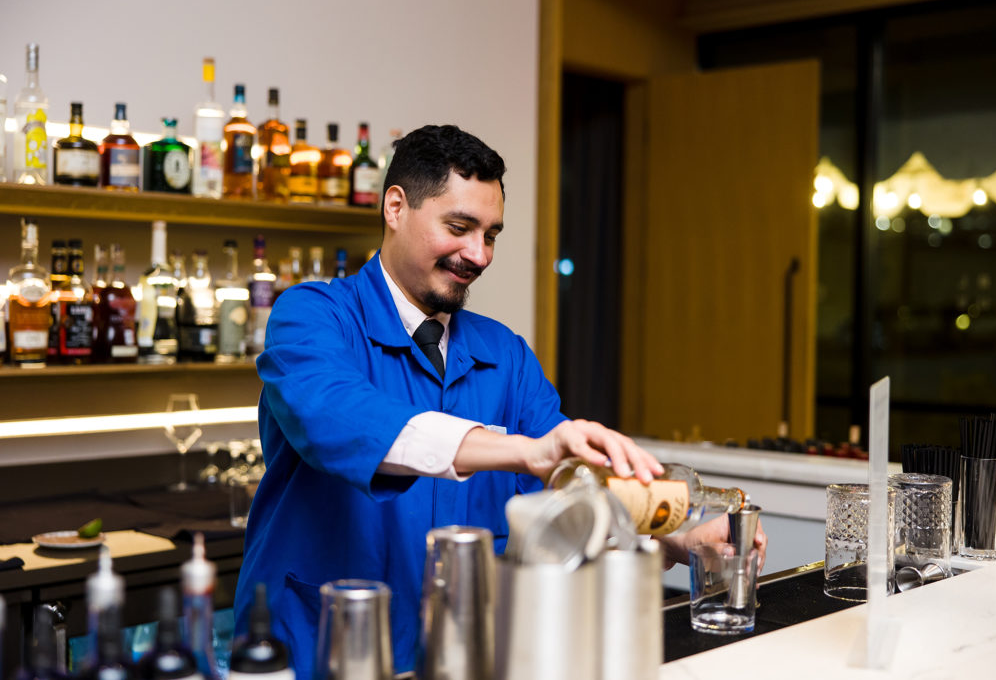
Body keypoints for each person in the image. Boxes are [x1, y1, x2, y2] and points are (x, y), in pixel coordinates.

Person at [233, 124, 766, 675]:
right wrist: (516, 449)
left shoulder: (504, 354)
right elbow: (336, 417)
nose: (478, 254)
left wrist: (681, 537)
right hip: (318, 651)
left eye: (491, 235)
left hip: (461, 654)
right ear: (396, 207)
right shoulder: (313, 315)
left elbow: (568, 487)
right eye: (459, 227)